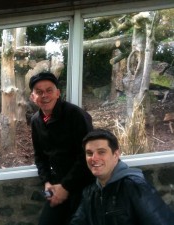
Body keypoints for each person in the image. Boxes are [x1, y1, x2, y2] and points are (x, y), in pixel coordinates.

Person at [29, 72, 95, 225]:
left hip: (83, 185)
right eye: (39, 92)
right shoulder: (35, 121)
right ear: (33, 97)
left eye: (49, 90)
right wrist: (46, 182)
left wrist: (66, 187)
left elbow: (87, 155)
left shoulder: (76, 115)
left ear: (58, 93)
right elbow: (40, 156)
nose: (44, 95)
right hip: (56, 186)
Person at [70, 128, 174, 225]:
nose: (94, 158)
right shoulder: (89, 193)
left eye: (101, 152)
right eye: (89, 153)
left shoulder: (135, 186)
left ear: (116, 154)